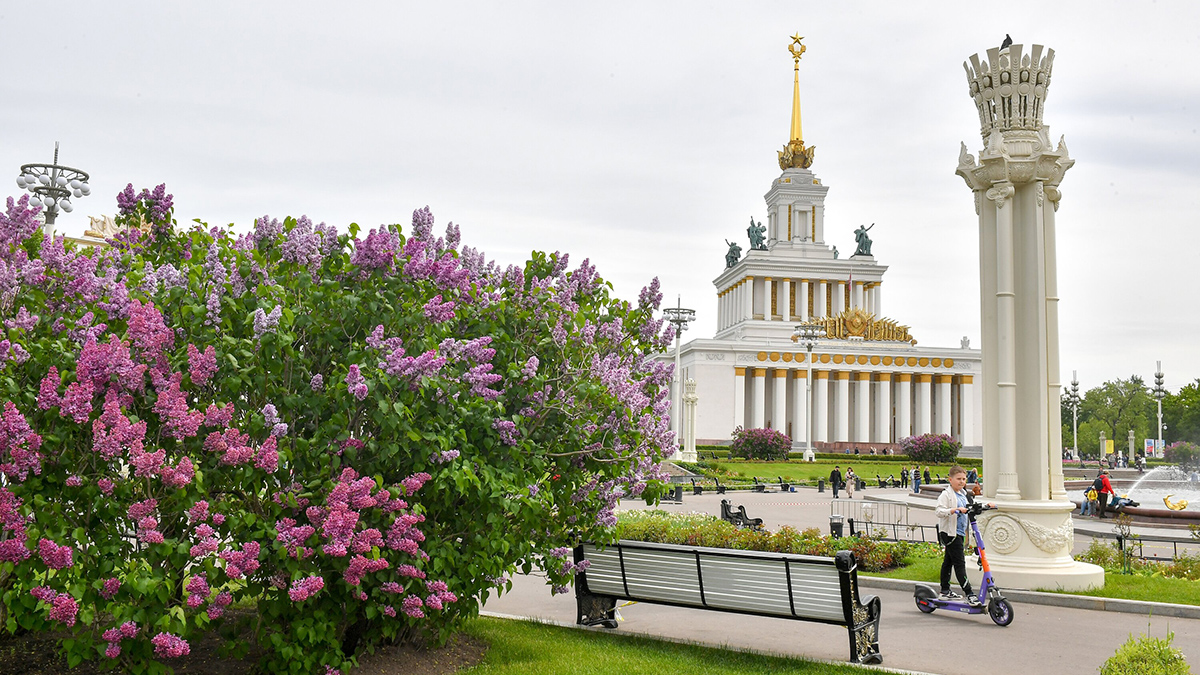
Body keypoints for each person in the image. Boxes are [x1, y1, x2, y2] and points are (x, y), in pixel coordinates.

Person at [935, 466, 994, 604]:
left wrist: (987, 505)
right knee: (959, 562)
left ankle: (944, 591)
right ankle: (969, 593)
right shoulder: (946, 495)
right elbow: (938, 511)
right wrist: (953, 510)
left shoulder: (964, 494)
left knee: (948, 561)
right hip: (949, 533)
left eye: (963, 479)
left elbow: (972, 506)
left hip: (960, 533)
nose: (961, 481)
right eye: (958, 479)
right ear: (950, 480)